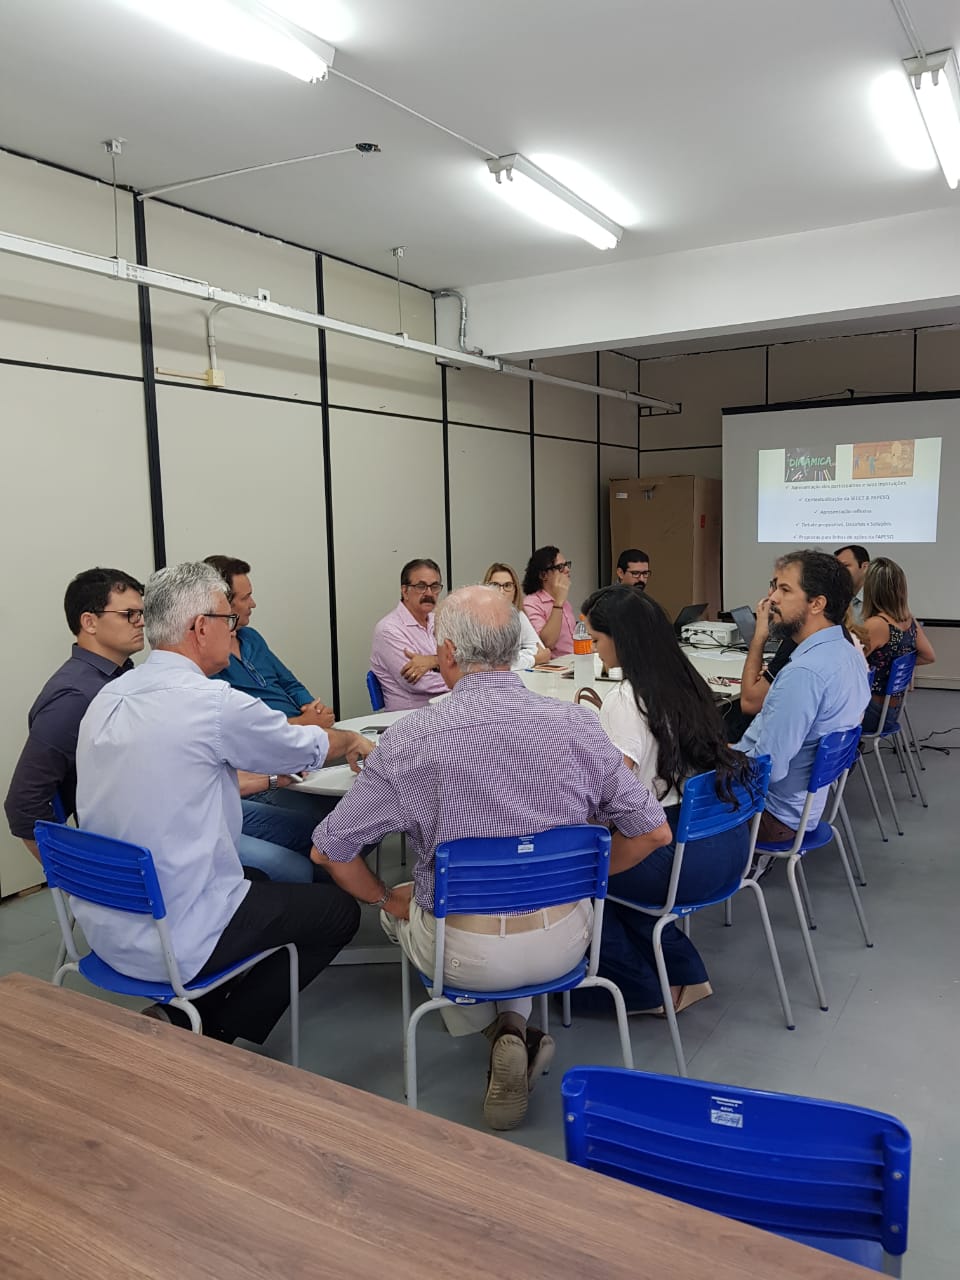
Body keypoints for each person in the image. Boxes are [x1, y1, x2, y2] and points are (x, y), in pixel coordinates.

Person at [311, 585, 671, 1131]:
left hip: (464, 950)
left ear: (447, 652)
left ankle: (496, 1030)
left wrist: (387, 898)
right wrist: (585, 877)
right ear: (510, 647)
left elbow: (329, 850)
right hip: (567, 942)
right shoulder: (578, 725)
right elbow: (653, 833)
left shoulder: (410, 740)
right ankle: (514, 1028)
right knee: (512, 896)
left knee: (402, 906)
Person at [73, 561, 371, 1047]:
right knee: (337, 912)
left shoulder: (109, 696)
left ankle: (184, 1016)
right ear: (200, 627)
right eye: (227, 619)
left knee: (258, 881)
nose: (233, 629)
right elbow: (307, 748)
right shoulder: (210, 703)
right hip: (175, 933)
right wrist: (352, 740)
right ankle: (216, 1032)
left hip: (109, 921)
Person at [582, 586, 756, 1016]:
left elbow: (612, 797)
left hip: (676, 859)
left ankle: (643, 991)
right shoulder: (688, 682)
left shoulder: (626, 700)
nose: (595, 649)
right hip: (726, 847)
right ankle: (685, 973)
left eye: (597, 639)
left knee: (576, 878)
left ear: (621, 639)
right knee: (617, 877)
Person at [204, 554, 337, 880]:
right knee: (332, 820)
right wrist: (304, 724)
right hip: (264, 764)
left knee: (367, 797)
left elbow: (290, 683)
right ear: (222, 604)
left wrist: (311, 708)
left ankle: (336, 882)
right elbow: (244, 732)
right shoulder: (211, 662)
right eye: (245, 597)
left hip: (301, 740)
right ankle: (328, 890)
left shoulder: (252, 639)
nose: (253, 604)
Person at [5, 567, 145, 862]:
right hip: (129, 839)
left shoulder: (119, 676)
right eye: (129, 614)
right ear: (89, 622)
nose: (141, 622)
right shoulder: (74, 696)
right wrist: (78, 875)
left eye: (141, 613)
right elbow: (24, 804)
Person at [734, 551, 870, 843]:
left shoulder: (804, 673)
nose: (772, 598)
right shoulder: (847, 653)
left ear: (817, 604)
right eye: (774, 587)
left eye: (784, 590)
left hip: (768, 814)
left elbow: (766, 770)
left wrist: (711, 760)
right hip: (803, 809)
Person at [860, 557, 935, 734]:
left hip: (872, 713)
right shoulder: (909, 620)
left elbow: (847, 666)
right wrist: (895, 669)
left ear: (871, 589)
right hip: (892, 710)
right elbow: (929, 656)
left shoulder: (876, 625)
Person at [369, 558, 448, 709]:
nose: (429, 593)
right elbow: (421, 683)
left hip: (444, 709)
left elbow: (464, 659)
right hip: (410, 715)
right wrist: (464, 679)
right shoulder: (389, 629)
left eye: (435, 587)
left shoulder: (439, 620)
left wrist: (433, 661)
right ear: (404, 591)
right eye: (421, 586)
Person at [482, 562, 550, 668]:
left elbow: (539, 649)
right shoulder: (478, 618)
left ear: (515, 591)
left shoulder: (518, 615)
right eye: (495, 585)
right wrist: (534, 659)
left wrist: (515, 657)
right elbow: (495, 664)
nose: (501, 591)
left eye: (507, 585)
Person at [522, 546, 576, 658]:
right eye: (560, 567)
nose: (567, 570)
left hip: (573, 660)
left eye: (566, 565)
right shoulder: (531, 603)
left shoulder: (564, 601)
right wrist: (558, 603)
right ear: (543, 575)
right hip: (553, 665)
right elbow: (547, 643)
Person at [834, 545, 870, 624]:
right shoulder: (838, 600)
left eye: (846, 566)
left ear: (865, 567)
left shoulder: (879, 599)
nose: (840, 572)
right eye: (838, 568)